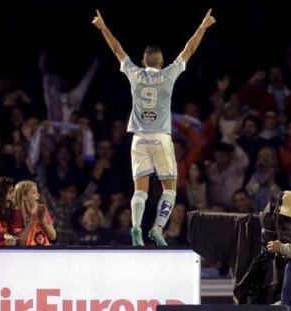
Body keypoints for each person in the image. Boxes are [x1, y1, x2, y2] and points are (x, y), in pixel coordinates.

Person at [92, 9, 216, 246]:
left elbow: (117, 49)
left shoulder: (135, 74)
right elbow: (189, 49)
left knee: (140, 190)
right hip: (160, 137)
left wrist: (103, 27)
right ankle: (158, 228)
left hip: (139, 138)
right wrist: (203, 26)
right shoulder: (169, 74)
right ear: (161, 61)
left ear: (143, 61)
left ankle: (136, 227)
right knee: (169, 188)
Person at [12, 180, 56, 246]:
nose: (38, 195)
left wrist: (43, 222)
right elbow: (20, 242)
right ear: (24, 196)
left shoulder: (41, 209)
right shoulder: (17, 213)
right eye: (34, 192)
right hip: (27, 254)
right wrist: (31, 220)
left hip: (44, 253)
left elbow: (53, 236)